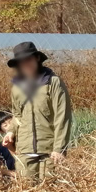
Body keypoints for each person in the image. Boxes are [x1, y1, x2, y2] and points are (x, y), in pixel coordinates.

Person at [7, 42, 72, 180]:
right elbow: (17, 115)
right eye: (21, 62)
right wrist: (11, 131)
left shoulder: (53, 83)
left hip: (49, 152)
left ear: (37, 58)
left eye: (28, 59)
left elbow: (62, 117)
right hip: (24, 151)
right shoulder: (17, 87)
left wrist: (59, 149)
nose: (26, 64)